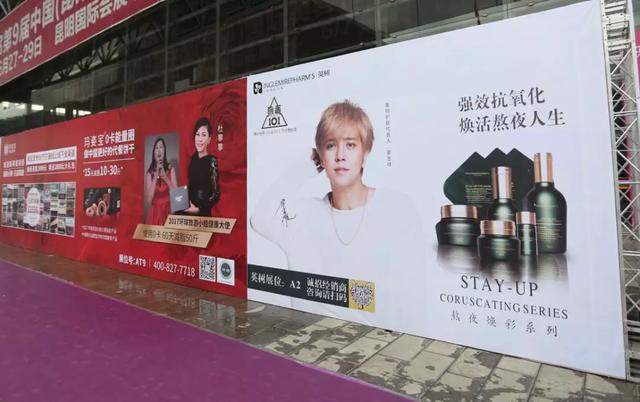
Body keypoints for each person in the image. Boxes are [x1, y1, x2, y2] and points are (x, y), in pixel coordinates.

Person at [250, 100, 425, 327]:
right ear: (321, 156)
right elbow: (260, 219)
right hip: (306, 337)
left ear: (365, 152)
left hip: (372, 341)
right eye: (331, 146)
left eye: (350, 145)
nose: (340, 155)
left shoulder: (395, 208)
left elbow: (412, 299)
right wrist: (301, 169)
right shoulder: (304, 215)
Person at [183, 117, 220, 216]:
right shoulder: (192, 159)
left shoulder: (212, 161)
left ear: (209, 139)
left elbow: (216, 194)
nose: (199, 139)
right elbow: (191, 186)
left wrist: (199, 209)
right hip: (189, 209)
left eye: (203, 135)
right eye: (197, 134)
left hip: (203, 212)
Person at [144, 137, 177, 224]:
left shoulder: (171, 169)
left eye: (161, 147)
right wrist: (155, 176)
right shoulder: (149, 173)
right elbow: (149, 200)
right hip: (154, 214)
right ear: (153, 152)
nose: (159, 150)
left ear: (164, 150)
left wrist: (166, 178)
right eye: (156, 148)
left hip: (168, 212)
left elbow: (177, 196)